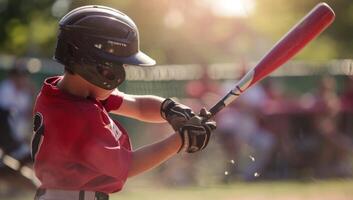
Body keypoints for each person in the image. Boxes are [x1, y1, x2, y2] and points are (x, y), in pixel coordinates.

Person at [32, 5, 216, 200]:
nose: (123, 72)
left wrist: (169, 109)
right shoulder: (77, 116)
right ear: (98, 68)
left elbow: (137, 106)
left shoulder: (67, 94)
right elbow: (129, 165)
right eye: (120, 65)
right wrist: (180, 141)